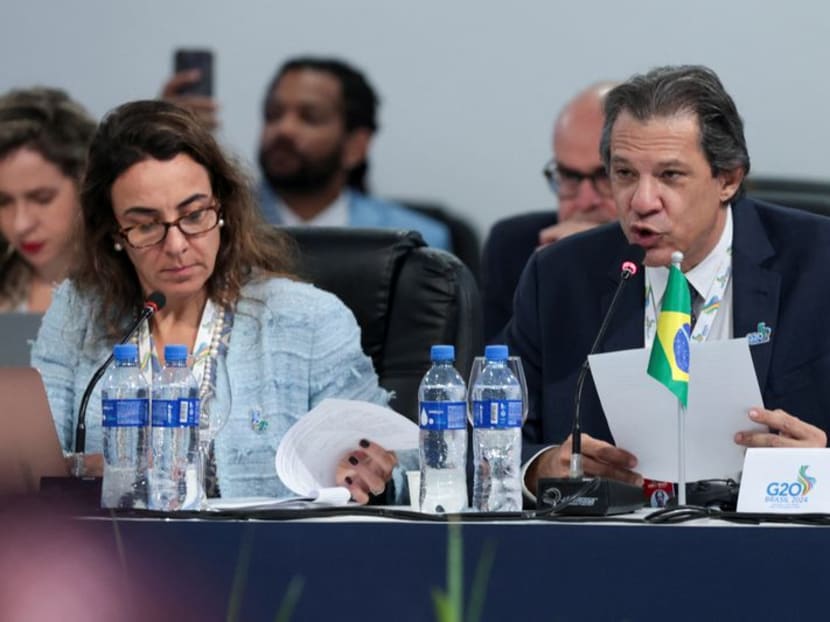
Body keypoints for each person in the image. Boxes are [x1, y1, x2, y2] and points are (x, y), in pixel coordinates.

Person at [31, 99, 402, 504]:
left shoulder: (309, 319)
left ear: (222, 209)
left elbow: (399, 463)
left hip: (267, 543)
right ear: (114, 233)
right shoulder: (78, 313)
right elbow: (27, 465)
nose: (177, 245)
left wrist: (370, 474)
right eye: (146, 225)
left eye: (194, 215)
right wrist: (82, 470)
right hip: (115, 543)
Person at [508, 65, 830, 497]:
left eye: (670, 176)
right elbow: (487, 433)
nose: (642, 202)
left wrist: (824, 466)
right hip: (615, 533)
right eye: (624, 174)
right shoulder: (559, 278)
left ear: (728, 179)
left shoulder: (818, 265)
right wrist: (540, 468)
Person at [164, 56, 451, 250]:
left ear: (355, 147)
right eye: (274, 114)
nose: (284, 129)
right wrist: (166, 139)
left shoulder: (414, 240)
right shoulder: (218, 222)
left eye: (310, 117)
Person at [480, 82, 618, 341]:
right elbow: (496, 362)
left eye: (605, 176)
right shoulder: (514, 246)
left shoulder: (669, 253)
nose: (585, 201)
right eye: (569, 176)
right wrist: (555, 279)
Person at [0, 87, 96, 312]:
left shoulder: (136, 290)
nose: (21, 224)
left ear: (84, 184)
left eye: (42, 199)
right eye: (3, 202)